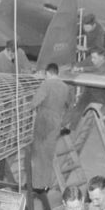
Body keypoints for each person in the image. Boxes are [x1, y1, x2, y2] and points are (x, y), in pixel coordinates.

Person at [30, 63, 72, 191]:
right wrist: (64, 123)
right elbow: (70, 106)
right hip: (56, 121)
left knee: (38, 153)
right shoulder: (65, 87)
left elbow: (36, 101)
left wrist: (26, 108)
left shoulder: (46, 84)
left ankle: (37, 185)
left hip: (44, 120)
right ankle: (46, 184)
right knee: (48, 153)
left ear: (48, 73)